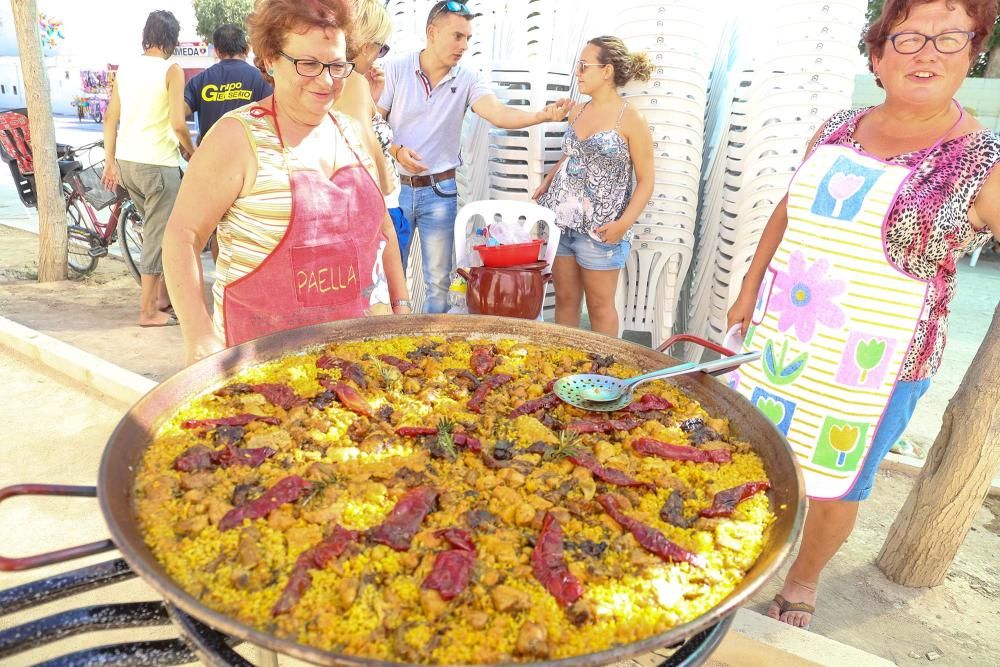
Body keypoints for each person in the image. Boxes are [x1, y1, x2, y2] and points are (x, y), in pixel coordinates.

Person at [726, 0, 999, 629]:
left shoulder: (982, 163)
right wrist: (749, 286)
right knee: (762, 451)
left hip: (877, 363)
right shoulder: (838, 127)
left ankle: (802, 576)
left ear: (973, 52)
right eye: (907, 39)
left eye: (948, 36)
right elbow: (788, 210)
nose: (927, 51)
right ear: (877, 58)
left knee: (835, 479)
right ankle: (749, 550)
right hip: (786, 332)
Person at [161, 0, 410, 365]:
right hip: (262, 367)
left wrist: (400, 306)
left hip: (357, 361)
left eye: (337, 66)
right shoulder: (235, 138)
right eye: (308, 64)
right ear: (270, 59)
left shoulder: (356, 134)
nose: (325, 80)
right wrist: (199, 335)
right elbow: (182, 236)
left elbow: (383, 225)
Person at [376, 0, 573, 313]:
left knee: (438, 281)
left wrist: (540, 116)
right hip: (394, 192)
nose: (464, 46)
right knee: (389, 277)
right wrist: (398, 150)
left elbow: (497, 113)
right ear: (432, 33)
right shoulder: (396, 68)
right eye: (457, 36)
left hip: (439, 191)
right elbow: (374, 122)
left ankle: (431, 351)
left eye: (468, 38)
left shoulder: (467, 78)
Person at [533, 36, 654, 337]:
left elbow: (647, 179)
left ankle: (604, 378)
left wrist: (623, 224)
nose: (579, 73)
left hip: (602, 230)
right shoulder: (578, 111)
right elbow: (573, 154)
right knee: (565, 300)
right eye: (579, 66)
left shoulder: (631, 119)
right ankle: (565, 370)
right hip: (563, 223)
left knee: (600, 308)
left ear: (607, 71)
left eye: (585, 66)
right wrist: (548, 180)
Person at [102, 10, 196, 328]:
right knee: (158, 237)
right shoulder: (172, 69)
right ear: (171, 40)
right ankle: (147, 312)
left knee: (158, 233)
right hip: (158, 165)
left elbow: (110, 118)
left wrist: (110, 161)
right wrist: (191, 150)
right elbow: (178, 123)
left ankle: (162, 300)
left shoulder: (126, 68)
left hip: (129, 164)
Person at [334, 0, 410, 257]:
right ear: (367, 46)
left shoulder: (335, 81)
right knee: (385, 295)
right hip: (376, 209)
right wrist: (387, 184)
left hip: (353, 210)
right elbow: (363, 141)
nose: (379, 56)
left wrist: (372, 104)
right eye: (382, 48)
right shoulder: (354, 82)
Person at [184, 24, 273, 144]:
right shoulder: (261, 79)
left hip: (210, 157)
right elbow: (274, 118)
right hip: (248, 158)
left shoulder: (200, 80)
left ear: (217, 51)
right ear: (246, 49)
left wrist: (187, 145)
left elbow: (178, 114)